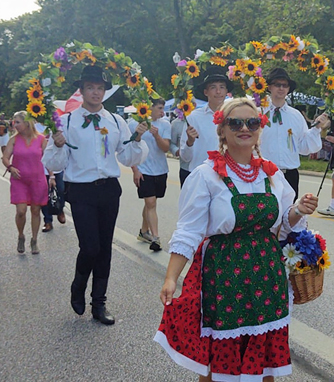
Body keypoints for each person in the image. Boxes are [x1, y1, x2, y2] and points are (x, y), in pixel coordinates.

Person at [154, 98, 319, 382]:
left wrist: (297, 211)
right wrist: (172, 278)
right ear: (222, 130)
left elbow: (281, 228)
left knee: (265, 361)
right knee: (219, 363)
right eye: (236, 123)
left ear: (259, 129)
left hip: (266, 274)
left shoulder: (272, 173)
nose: (245, 128)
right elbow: (188, 231)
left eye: (252, 122)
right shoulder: (206, 175)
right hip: (224, 274)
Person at [42, 65, 148, 325]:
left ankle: (99, 303)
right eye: (90, 87)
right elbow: (54, 163)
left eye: (100, 88)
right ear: (82, 90)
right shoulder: (66, 122)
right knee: (90, 246)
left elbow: (125, 156)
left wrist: (136, 140)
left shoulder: (115, 120)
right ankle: (78, 284)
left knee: (104, 249)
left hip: (109, 189)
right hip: (81, 191)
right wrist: (56, 145)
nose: (96, 92)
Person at [260, 68, 328, 200]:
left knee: (289, 215)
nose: (281, 88)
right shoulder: (258, 112)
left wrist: (316, 129)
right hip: (264, 174)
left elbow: (303, 147)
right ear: (269, 87)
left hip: (289, 175)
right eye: (277, 84)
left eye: (285, 85)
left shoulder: (295, 115)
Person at [2, 111, 48, 254]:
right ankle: (21, 235)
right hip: (19, 180)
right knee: (21, 211)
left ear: (27, 122)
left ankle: (34, 240)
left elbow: (48, 160)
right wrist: (10, 167)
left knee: (35, 210)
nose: (14, 125)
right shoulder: (14, 139)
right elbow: (5, 157)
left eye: (17, 122)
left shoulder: (41, 139)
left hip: (37, 180)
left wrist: (52, 177)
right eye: (14, 122)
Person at [129, 98, 171, 252]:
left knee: (150, 203)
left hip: (160, 170)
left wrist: (157, 136)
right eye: (159, 108)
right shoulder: (134, 124)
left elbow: (165, 148)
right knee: (151, 203)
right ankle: (156, 238)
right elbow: (129, 149)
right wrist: (135, 170)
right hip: (143, 170)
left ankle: (143, 231)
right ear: (149, 108)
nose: (162, 111)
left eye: (163, 108)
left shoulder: (165, 124)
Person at [179, 66, 234, 178]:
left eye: (222, 87)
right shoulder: (194, 117)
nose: (218, 92)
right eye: (213, 87)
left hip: (229, 175)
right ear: (206, 92)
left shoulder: (234, 116)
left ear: (227, 91)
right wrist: (190, 142)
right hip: (201, 176)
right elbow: (185, 157)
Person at [169, 116, 190, 187]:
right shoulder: (176, 123)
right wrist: (177, 151)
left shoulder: (201, 119)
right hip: (186, 167)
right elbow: (171, 143)